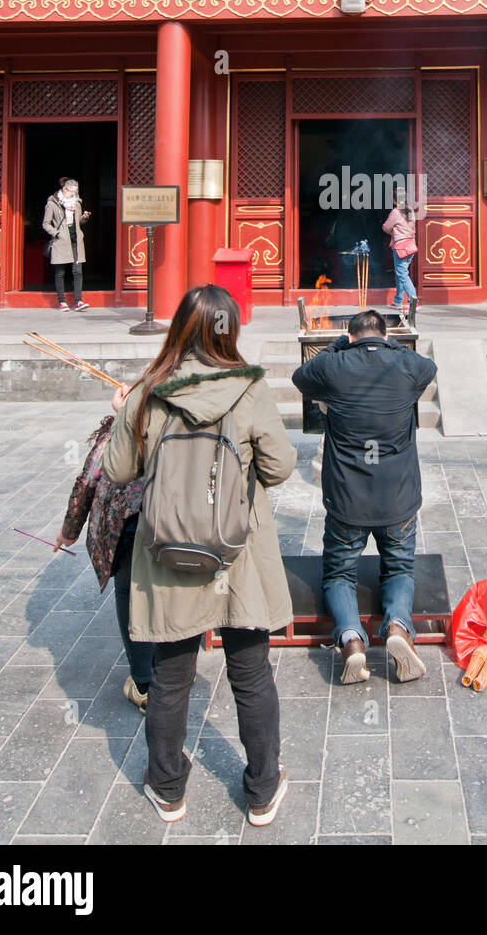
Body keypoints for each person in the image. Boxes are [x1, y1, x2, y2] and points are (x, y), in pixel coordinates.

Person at [100, 284, 296, 826]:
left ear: (179, 327)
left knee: (170, 674)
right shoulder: (250, 390)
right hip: (237, 552)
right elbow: (279, 469)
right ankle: (261, 790)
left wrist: (124, 413)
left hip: (167, 549)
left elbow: (118, 471)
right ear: (231, 330)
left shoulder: (150, 389)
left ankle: (167, 787)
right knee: (251, 672)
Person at [291, 309, 437, 686]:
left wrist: (340, 344)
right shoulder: (405, 368)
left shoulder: (334, 367)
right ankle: (398, 630)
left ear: (351, 336)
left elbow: (300, 376)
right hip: (398, 497)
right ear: (385, 336)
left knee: (339, 574)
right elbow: (426, 365)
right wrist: (387, 346)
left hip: (347, 499)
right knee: (399, 568)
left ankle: (352, 640)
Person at [53, 414, 155, 714]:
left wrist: (69, 530)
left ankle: (144, 684)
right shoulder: (180, 413)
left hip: (129, 522)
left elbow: (89, 477)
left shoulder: (124, 421)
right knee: (165, 593)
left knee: (130, 595)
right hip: (172, 522)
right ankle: (168, 676)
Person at [43, 176, 91, 311]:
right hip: (61, 239)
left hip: (75, 237)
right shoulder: (52, 203)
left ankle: (78, 301)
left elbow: (79, 223)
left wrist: (84, 218)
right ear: (64, 189)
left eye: (75, 192)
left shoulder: (77, 203)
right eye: (71, 192)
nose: (74, 194)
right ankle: (61, 301)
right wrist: (56, 233)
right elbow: (45, 224)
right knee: (60, 272)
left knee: (77, 271)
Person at [382, 195, 418, 310]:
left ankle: (413, 302)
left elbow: (386, 227)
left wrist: (393, 231)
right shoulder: (410, 210)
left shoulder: (395, 212)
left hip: (401, 246)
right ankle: (398, 301)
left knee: (402, 274)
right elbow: (412, 229)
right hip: (410, 245)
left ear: (394, 200)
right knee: (401, 273)